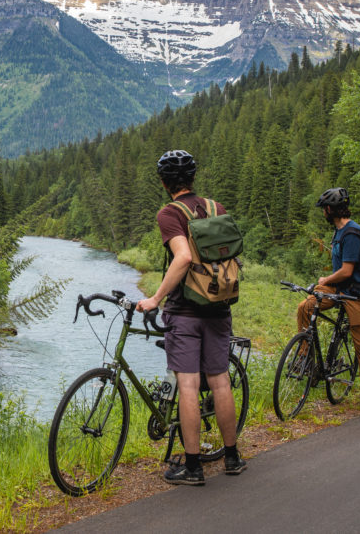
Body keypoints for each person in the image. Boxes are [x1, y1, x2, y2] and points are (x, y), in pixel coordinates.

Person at [136, 149, 246, 486]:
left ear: (164, 182)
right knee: (220, 380)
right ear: (192, 178)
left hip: (185, 311)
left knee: (187, 384)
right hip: (219, 305)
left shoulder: (170, 213)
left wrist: (156, 298)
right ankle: (231, 457)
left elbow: (182, 257)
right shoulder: (217, 208)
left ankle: (193, 466)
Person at [298, 187, 360, 413]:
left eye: (324, 209)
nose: (323, 213)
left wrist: (326, 278)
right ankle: (305, 358)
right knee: (305, 306)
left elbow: (346, 271)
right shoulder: (339, 231)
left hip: (356, 295)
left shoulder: (352, 234)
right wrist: (323, 285)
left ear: (329, 210)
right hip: (338, 289)